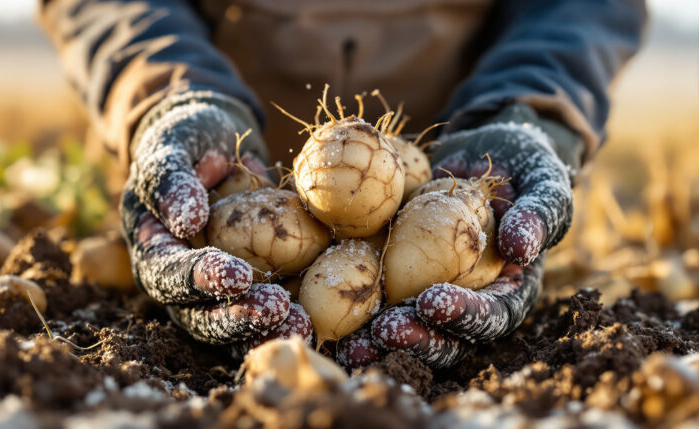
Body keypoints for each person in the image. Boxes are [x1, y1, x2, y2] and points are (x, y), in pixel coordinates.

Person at [40, 0, 647, 368]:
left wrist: (528, 112)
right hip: (224, 169)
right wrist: (166, 97)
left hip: (457, 159)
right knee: (198, 246)